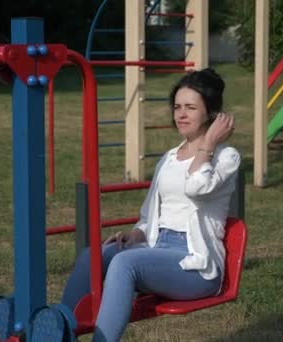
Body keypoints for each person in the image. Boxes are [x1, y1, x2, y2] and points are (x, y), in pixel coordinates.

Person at [61, 68, 241, 341]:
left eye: (191, 107)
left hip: (196, 265)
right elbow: (149, 214)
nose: (181, 114)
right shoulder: (169, 158)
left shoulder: (226, 157)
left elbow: (196, 186)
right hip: (159, 248)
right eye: (177, 107)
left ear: (212, 113)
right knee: (96, 255)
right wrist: (136, 234)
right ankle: (61, 331)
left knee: (125, 263)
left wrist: (208, 143)